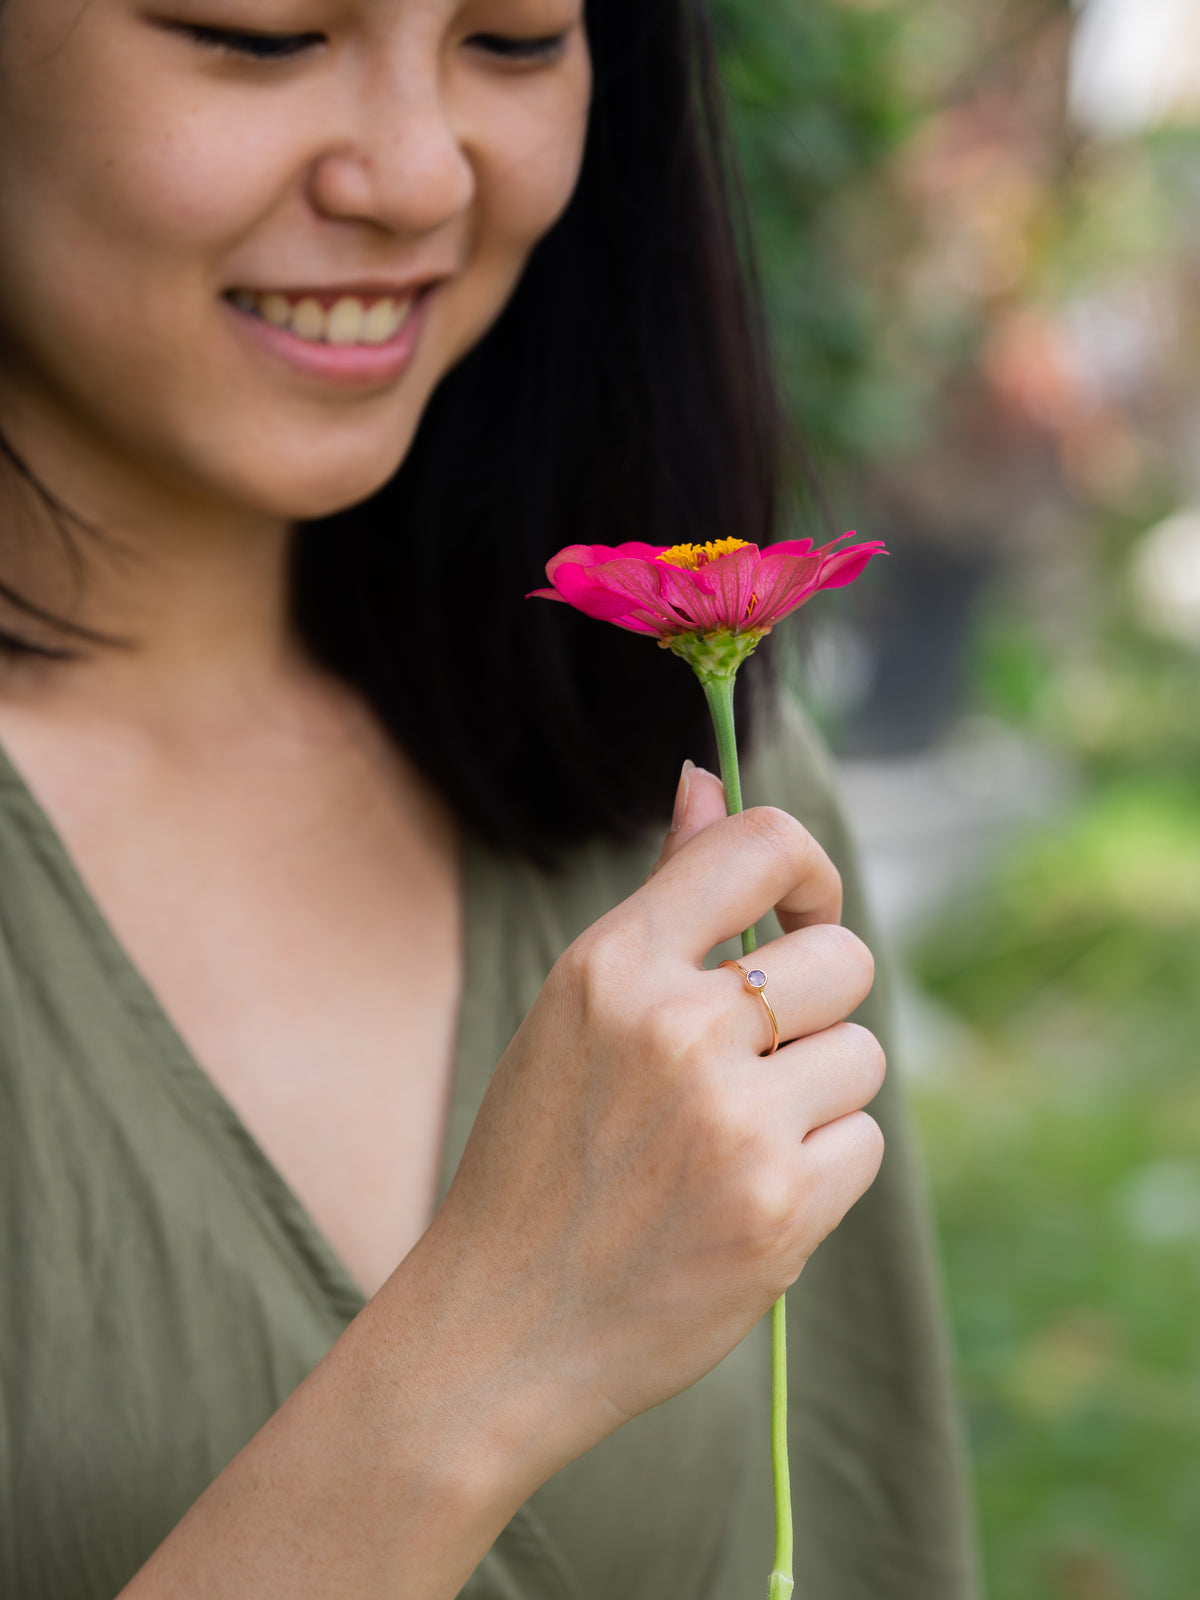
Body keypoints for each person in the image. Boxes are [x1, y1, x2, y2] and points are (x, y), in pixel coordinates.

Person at [0, 2, 979, 1597]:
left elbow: (863, 1534)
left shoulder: (692, 802)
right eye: (257, 32)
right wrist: (485, 1357)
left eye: (517, 38)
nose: (415, 175)